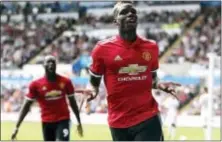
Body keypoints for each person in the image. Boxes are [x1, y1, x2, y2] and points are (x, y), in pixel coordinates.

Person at [86, 1, 181, 141]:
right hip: (118, 121)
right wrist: (92, 91)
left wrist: (160, 85)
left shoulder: (151, 47)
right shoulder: (102, 49)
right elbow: (94, 82)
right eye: (124, 12)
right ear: (115, 21)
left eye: (133, 12)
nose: (131, 14)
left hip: (147, 117)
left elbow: (153, 79)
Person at [11, 55, 83, 141]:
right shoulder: (35, 85)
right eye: (48, 62)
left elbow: (73, 102)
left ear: (56, 65)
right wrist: (17, 127)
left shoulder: (66, 82)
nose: (51, 64)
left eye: (53, 62)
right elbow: (26, 106)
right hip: (46, 122)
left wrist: (79, 122)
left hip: (63, 119)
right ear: (43, 65)